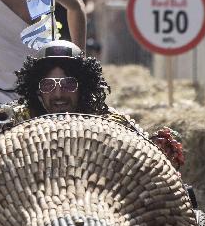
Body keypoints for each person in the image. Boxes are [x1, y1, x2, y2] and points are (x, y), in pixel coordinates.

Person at [15, 40, 185, 169]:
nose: (59, 94)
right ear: (37, 90)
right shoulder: (17, 125)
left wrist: (157, 152)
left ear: (83, 87)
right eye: (48, 85)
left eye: (68, 84)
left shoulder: (112, 124)